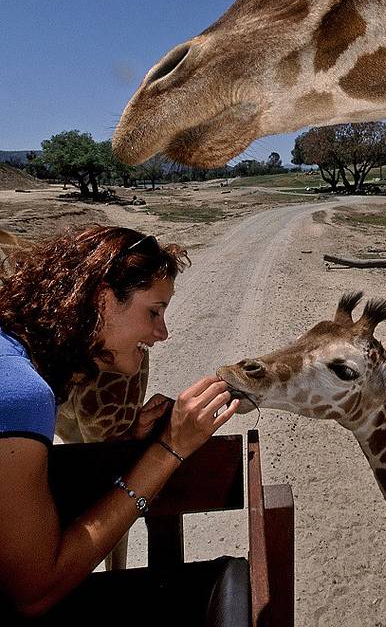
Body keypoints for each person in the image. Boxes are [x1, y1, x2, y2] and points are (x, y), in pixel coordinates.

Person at [0, 225, 239, 616]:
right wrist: (170, 449)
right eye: (153, 312)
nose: (163, 333)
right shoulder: (21, 395)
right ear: (104, 300)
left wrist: (127, 440)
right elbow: (35, 591)